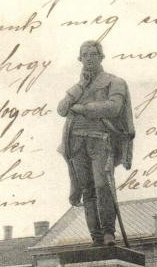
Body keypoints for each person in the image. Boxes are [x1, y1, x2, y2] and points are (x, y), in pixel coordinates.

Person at [57, 40, 135, 246]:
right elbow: (62, 109)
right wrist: (80, 86)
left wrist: (84, 109)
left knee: (103, 186)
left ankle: (109, 233)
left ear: (101, 57)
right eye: (85, 55)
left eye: (93, 54)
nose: (89, 58)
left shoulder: (114, 82)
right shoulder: (78, 88)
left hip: (100, 140)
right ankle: (96, 237)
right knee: (87, 190)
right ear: (80, 59)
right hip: (76, 143)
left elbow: (114, 108)